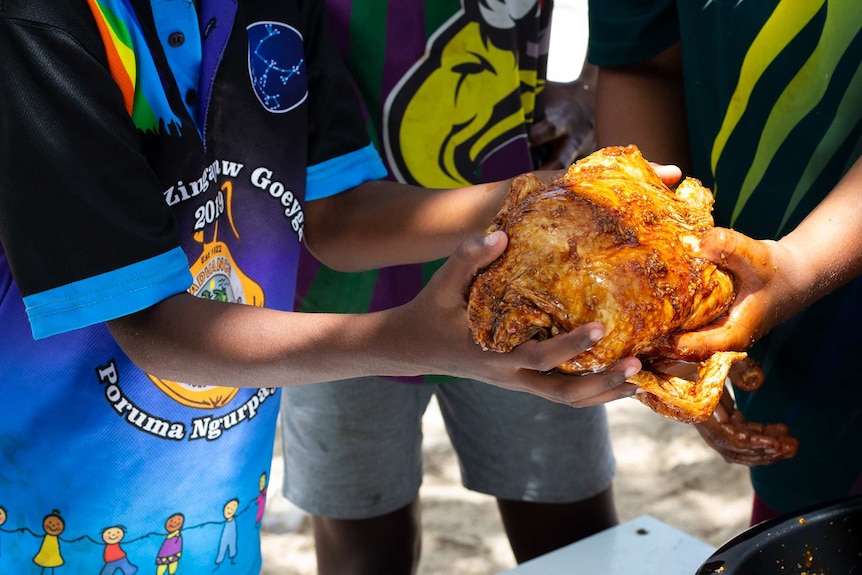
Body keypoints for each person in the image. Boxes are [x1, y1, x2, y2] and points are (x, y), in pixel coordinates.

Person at [0, 1, 641, 574]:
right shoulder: (38, 25)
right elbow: (156, 328)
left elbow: (336, 214)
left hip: (214, 513)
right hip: (42, 515)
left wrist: (539, 198)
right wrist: (414, 341)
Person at [279, 2, 616, 574]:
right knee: (362, 539)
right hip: (334, 297)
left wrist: (595, 79)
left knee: (569, 533)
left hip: (524, 282)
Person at [588, 0, 862, 525]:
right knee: (810, 520)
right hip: (782, 340)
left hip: (786, 277)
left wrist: (802, 266)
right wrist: (669, 303)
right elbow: (641, 59)